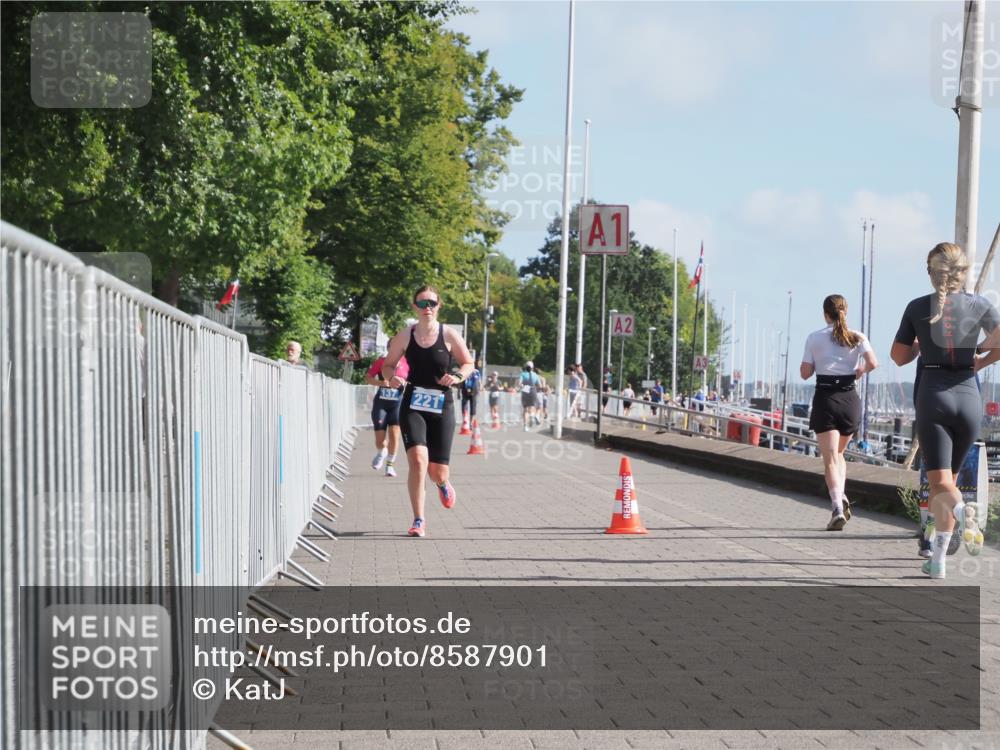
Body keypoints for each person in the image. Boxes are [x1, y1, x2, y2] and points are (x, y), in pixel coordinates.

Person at [891, 243, 1000, 577]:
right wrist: (980, 359)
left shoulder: (917, 307)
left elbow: (898, 357)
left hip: (934, 395)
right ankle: (938, 560)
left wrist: (920, 344)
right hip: (969, 396)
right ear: (963, 273)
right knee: (946, 483)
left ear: (931, 272)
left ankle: (964, 511)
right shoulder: (979, 304)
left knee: (940, 483)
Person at [382, 285, 475, 538]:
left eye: (432, 303)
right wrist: (392, 378)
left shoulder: (449, 334)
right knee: (418, 461)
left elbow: (468, 363)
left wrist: (457, 376)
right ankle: (418, 519)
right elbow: (388, 365)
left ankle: (443, 484)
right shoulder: (405, 335)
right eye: (422, 304)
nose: (427, 308)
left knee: (437, 471)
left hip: (442, 406)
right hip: (413, 404)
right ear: (415, 307)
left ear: (438, 306)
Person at [801, 294, 878, 531]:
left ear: (825, 314)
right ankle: (841, 495)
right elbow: (873, 363)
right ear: (846, 311)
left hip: (826, 399)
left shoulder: (814, 338)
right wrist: (859, 371)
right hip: (849, 400)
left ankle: (836, 507)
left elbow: (805, 373)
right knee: (839, 454)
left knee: (830, 459)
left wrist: (819, 362)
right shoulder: (857, 337)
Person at [364, 353, 410, 477]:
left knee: (395, 435)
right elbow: (368, 377)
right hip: (381, 405)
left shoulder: (407, 363)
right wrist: (380, 383)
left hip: (398, 404)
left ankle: (390, 465)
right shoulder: (381, 362)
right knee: (380, 439)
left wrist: (406, 384)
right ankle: (382, 451)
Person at [519, 361, 542, 430]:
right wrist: (534, 386)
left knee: (525, 409)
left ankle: (525, 426)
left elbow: (519, 383)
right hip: (533, 390)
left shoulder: (522, 374)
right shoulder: (535, 375)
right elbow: (540, 386)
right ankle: (534, 415)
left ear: (526, 367)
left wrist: (523, 385)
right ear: (532, 368)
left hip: (525, 390)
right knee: (535, 406)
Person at [460, 358, 482, 426]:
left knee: (473, 407)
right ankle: (465, 421)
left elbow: (479, 381)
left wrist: (479, 389)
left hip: (474, 391)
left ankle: (471, 423)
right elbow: (460, 380)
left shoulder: (476, 372)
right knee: (464, 406)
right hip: (465, 390)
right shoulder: (464, 370)